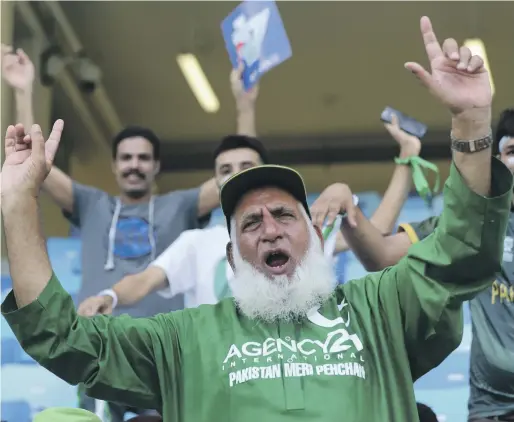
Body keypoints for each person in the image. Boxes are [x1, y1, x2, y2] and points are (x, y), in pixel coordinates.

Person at [1, 16, 509, 421]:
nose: (269, 227)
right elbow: (64, 339)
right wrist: (18, 204)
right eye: (250, 223)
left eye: (285, 214)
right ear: (230, 254)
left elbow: (462, 254)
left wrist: (471, 122)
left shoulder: (379, 311)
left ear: (313, 233)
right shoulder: (183, 339)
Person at [0, 46, 250, 421]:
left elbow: (242, 172)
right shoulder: (91, 203)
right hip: (97, 350)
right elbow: (34, 168)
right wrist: (23, 90)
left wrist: (245, 102)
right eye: (127, 158)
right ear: (115, 166)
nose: (135, 165)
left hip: (161, 354)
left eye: (143, 158)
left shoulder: (179, 206)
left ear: (156, 166)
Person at [76, 106, 423, 317]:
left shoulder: (303, 228)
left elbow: (377, 231)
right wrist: (110, 296)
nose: (236, 174)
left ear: (263, 172)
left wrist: (408, 157)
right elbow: (143, 281)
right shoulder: (195, 243)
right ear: (215, 180)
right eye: (226, 169)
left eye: (246, 166)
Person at [347, 109, 514, 422]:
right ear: (498, 162)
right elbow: (380, 254)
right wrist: (346, 207)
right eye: (511, 151)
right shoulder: (471, 226)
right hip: (492, 412)